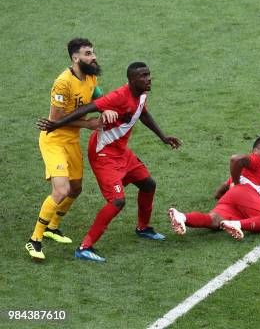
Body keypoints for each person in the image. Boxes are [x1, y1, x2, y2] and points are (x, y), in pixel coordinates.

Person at [37, 62, 181, 262]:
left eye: (149, 74)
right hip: (103, 154)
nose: (149, 79)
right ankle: (84, 248)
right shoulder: (119, 96)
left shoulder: (142, 94)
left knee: (148, 184)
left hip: (121, 152)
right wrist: (56, 124)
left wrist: (163, 137)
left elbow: (143, 114)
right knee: (117, 201)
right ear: (131, 80)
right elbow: (88, 107)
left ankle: (143, 228)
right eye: (143, 76)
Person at [26, 38, 111, 261]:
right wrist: (89, 124)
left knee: (76, 189)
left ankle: (53, 228)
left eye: (93, 52)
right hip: (54, 140)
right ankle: (35, 240)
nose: (94, 57)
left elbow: (100, 99)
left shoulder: (91, 76)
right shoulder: (62, 83)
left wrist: (107, 110)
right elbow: (55, 120)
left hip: (71, 141)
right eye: (88, 53)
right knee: (61, 190)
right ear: (75, 58)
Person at [168, 135, 260, 240]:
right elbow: (235, 159)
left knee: (214, 221)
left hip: (231, 198)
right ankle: (237, 224)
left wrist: (231, 188)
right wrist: (236, 184)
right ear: (256, 151)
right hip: (243, 193)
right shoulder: (257, 159)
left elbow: (221, 191)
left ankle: (182, 217)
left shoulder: (243, 172)